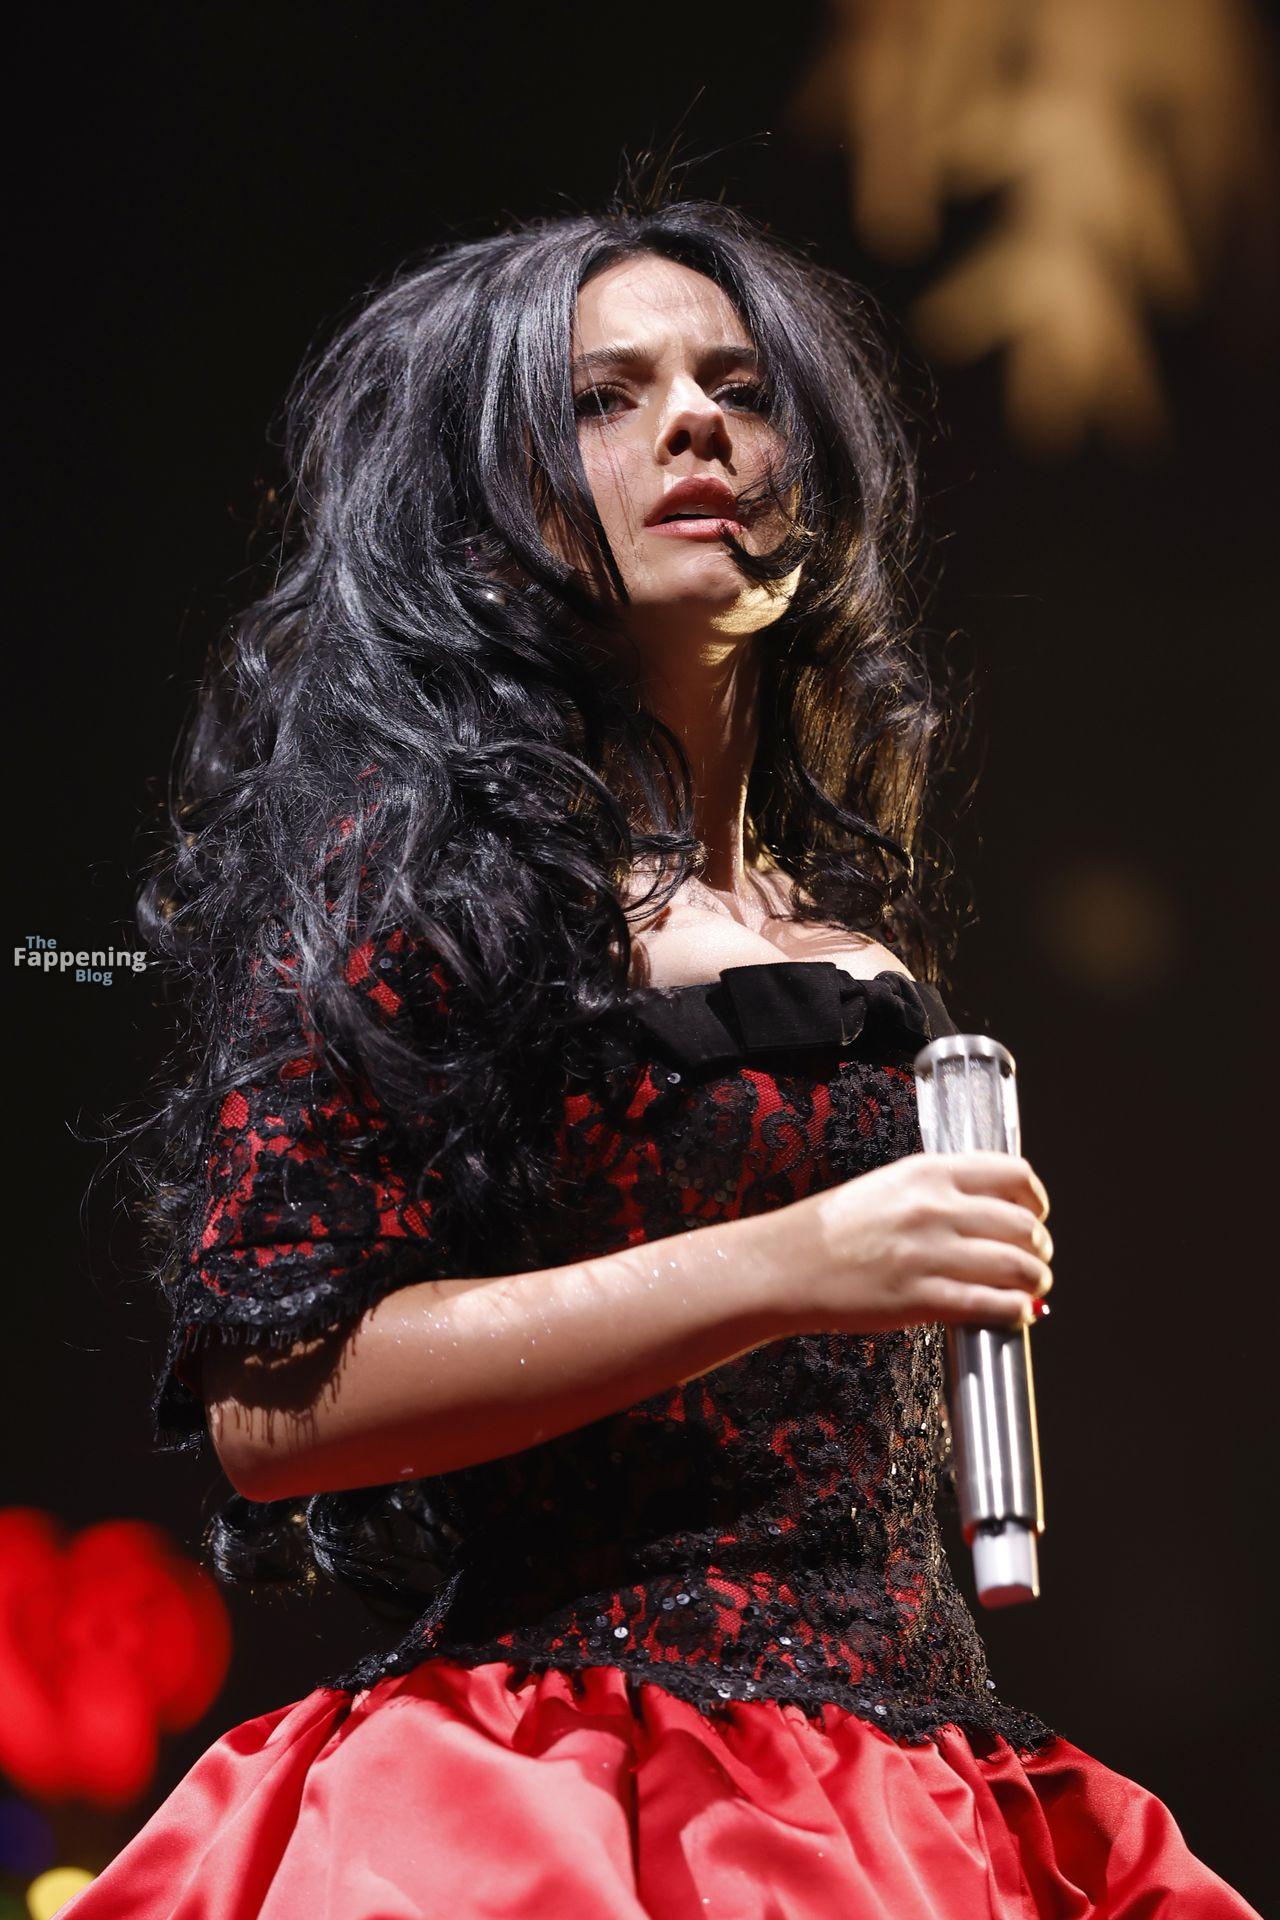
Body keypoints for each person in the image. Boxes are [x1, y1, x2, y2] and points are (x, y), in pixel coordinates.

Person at [67, 196, 1260, 1917]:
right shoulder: (416, 898)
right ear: (485, 514)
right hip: (565, 1793)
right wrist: (794, 1260)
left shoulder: (849, 942)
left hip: (907, 1789)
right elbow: (274, 1405)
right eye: (601, 399)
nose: (695, 422)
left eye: (738, 388)